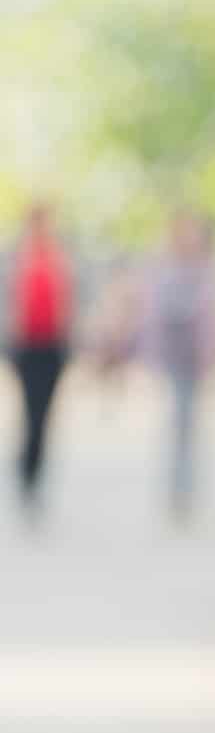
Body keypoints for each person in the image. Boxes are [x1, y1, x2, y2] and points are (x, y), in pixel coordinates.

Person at [139, 210, 215, 521]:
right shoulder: (165, 270)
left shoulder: (206, 271)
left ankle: (185, 490)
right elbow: (154, 315)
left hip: (194, 359)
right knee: (180, 421)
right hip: (175, 358)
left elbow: (214, 321)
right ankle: (178, 490)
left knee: (188, 424)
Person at [8, 202, 73, 520]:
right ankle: (26, 471)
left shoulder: (59, 260)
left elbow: (68, 303)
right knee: (30, 411)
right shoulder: (17, 259)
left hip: (52, 347)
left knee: (44, 414)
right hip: (27, 347)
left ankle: (33, 471)